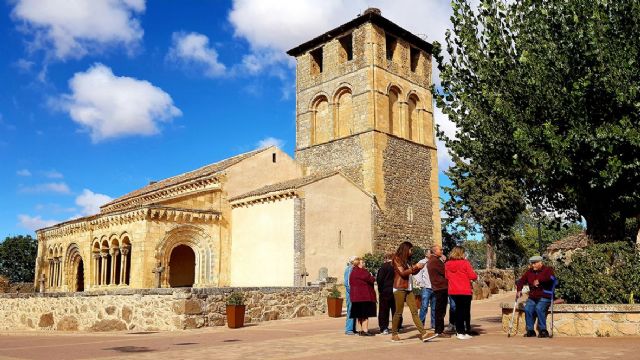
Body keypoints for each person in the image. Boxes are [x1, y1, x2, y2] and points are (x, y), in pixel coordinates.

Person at [391, 241, 435, 342]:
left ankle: (423, 334)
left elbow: (411, 272)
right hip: (399, 288)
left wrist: (419, 268)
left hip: (408, 288)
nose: (411, 252)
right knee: (398, 312)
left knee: (415, 311)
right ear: (406, 249)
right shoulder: (396, 259)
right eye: (410, 250)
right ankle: (394, 334)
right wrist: (415, 267)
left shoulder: (406, 260)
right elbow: (402, 273)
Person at [517, 255, 556, 338]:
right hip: (533, 296)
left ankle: (543, 330)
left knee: (539, 308)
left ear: (540, 263)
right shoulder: (529, 272)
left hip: (545, 295)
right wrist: (519, 290)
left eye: (534, 263)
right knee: (527, 308)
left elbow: (553, 279)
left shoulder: (548, 270)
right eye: (532, 263)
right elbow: (521, 281)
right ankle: (530, 331)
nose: (533, 265)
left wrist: (540, 280)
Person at [445, 246, 478, 340]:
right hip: (464, 290)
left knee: (458, 311)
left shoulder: (447, 264)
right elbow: (473, 276)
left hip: (453, 290)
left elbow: (447, 276)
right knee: (463, 312)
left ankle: (461, 331)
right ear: (461, 253)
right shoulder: (465, 263)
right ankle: (460, 332)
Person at [427, 244, 451, 338]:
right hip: (440, 287)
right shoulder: (435, 261)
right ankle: (439, 331)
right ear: (434, 251)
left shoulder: (433, 260)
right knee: (440, 310)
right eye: (440, 250)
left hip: (438, 287)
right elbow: (446, 271)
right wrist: (446, 262)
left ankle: (439, 330)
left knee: (439, 309)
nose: (442, 251)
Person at [349, 257, 377, 336]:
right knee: (365, 315)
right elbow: (371, 279)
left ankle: (360, 330)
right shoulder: (363, 272)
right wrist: (371, 275)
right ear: (359, 264)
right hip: (364, 296)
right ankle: (365, 330)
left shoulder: (352, 272)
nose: (363, 264)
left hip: (355, 297)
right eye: (362, 262)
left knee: (359, 315)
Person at [376, 253, 402, 334]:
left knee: (384, 310)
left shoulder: (384, 267)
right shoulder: (397, 266)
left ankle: (384, 328)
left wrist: (380, 290)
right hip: (396, 289)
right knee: (396, 309)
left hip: (385, 290)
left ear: (386, 258)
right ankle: (397, 327)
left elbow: (379, 279)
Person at [416, 250, 436, 329]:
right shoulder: (422, 262)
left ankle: (434, 325)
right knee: (424, 307)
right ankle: (421, 325)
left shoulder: (435, 262)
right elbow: (418, 275)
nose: (431, 254)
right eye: (430, 252)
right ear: (426, 254)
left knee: (434, 307)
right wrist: (422, 284)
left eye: (432, 252)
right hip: (426, 288)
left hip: (434, 287)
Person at [344, 255, 357, 335]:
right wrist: (352, 292)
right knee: (350, 310)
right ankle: (349, 329)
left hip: (354, 293)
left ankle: (353, 328)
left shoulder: (354, 269)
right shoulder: (349, 269)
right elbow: (347, 283)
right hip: (351, 293)